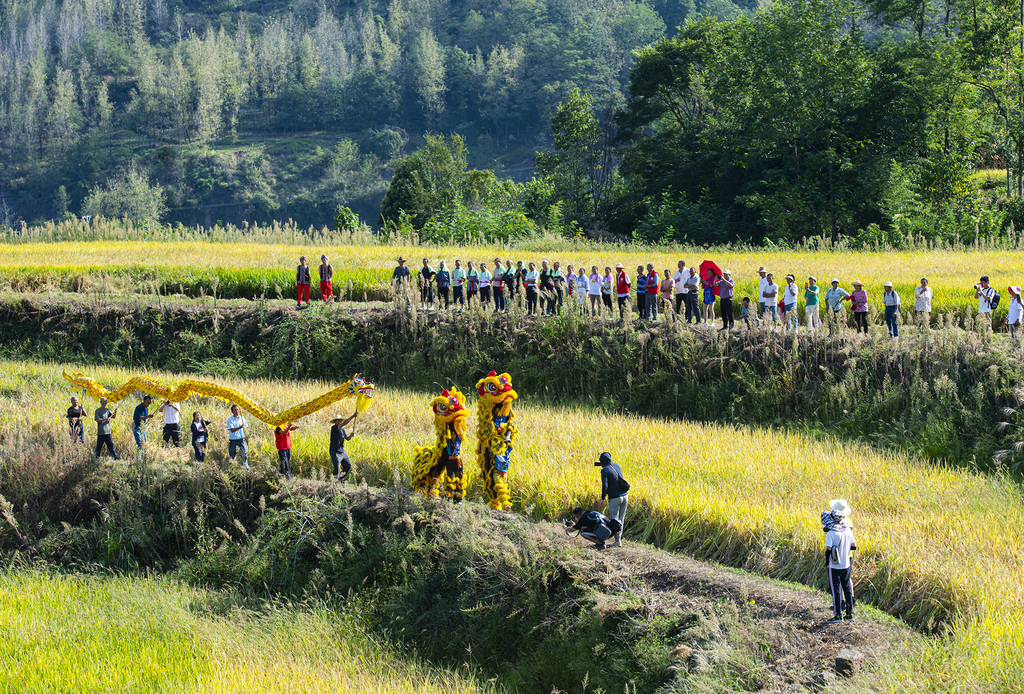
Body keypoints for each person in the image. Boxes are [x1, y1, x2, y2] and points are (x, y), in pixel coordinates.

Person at [824, 498, 857, 623]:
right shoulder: (848, 530)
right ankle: (850, 614)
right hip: (846, 564)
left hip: (835, 565)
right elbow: (854, 546)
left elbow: (828, 550)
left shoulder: (831, 533)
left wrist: (827, 563)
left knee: (836, 589)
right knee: (847, 588)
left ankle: (837, 615)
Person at [596, 452, 629, 547]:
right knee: (621, 518)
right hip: (625, 496)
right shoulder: (616, 465)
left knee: (614, 518)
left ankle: (617, 540)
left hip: (615, 498)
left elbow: (605, 485)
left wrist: (602, 498)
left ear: (602, 461)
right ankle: (618, 539)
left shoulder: (604, 470)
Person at [330, 412, 358, 481]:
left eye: (340, 420)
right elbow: (344, 423)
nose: (339, 422)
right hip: (335, 451)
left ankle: (340, 478)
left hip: (341, 451)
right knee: (337, 467)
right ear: (335, 422)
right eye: (337, 421)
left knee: (348, 465)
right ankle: (334, 481)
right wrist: (352, 416)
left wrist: (350, 436)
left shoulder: (342, 430)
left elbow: (347, 438)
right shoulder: (334, 428)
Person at [226, 404, 249, 469]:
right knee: (232, 456)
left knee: (244, 455)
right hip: (233, 441)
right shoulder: (230, 420)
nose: (237, 412)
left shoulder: (242, 418)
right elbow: (232, 430)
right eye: (235, 410)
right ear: (232, 411)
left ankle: (246, 469)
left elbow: (245, 428)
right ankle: (231, 469)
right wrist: (240, 427)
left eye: (237, 410)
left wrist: (247, 438)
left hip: (241, 440)